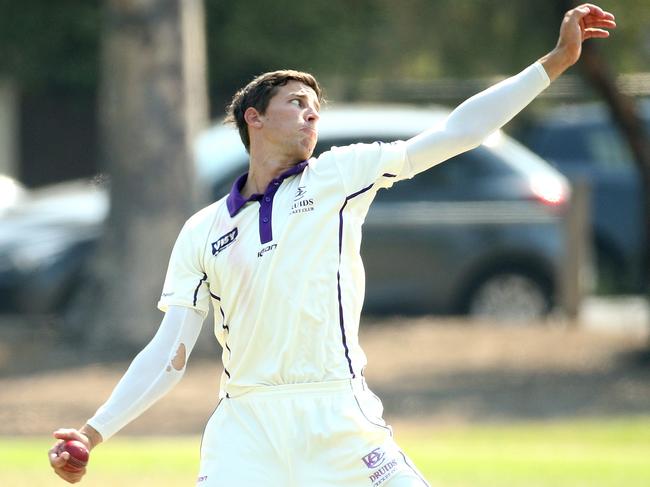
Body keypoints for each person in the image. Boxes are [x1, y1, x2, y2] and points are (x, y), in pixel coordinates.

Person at [49, 4, 615, 486]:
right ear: (255, 119)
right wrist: (93, 433)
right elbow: (168, 355)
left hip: (335, 412)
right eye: (296, 102)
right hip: (245, 427)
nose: (311, 112)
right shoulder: (202, 230)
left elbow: (454, 133)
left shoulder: (338, 176)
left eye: (316, 106)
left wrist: (554, 63)